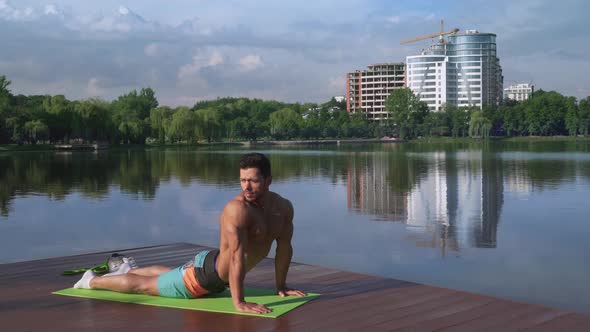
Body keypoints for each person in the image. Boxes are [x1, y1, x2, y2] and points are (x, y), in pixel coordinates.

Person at [73, 152, 305, 314]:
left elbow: (284, 248)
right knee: (143, 286)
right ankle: (92, 281)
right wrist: (239, 302)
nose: (246, 186)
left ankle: (127, 269)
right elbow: (236, 256)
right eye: (243, 180)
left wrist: (281, 285)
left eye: (253, 181)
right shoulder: (237, 210)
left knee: (169, 275)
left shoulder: (283, 208)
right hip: (204, 276)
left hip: (213, 268)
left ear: (269, 180)